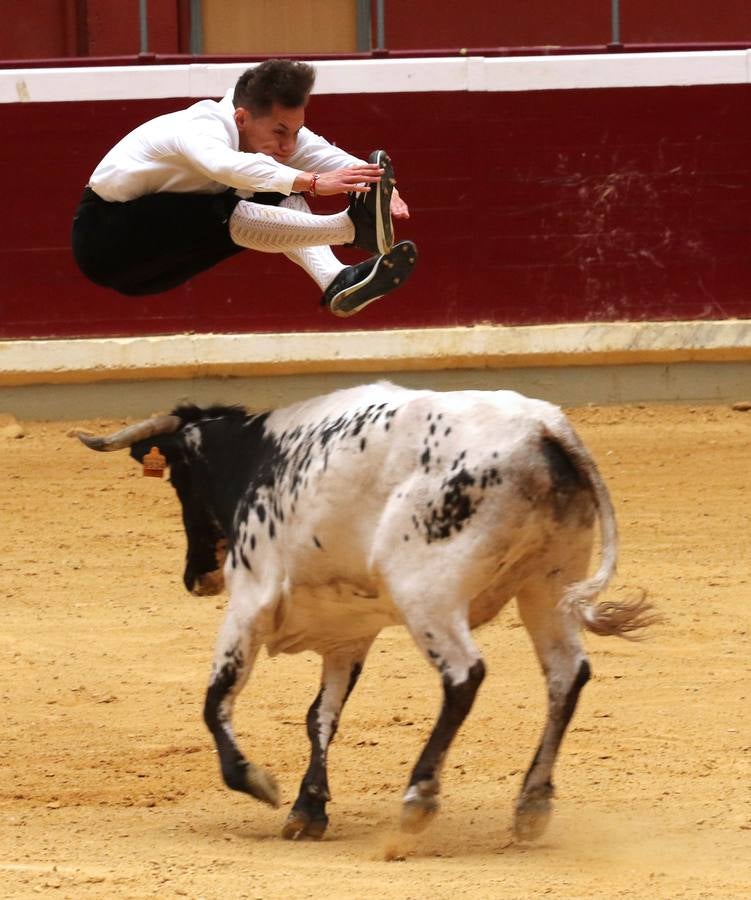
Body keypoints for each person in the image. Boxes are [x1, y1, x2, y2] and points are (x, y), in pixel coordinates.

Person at [71, 59, 416, 317]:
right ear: (241, 119)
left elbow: (322, 154)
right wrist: (311, 181)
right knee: (247, 192)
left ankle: (335, 279)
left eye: (295, 131)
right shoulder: (200, 125)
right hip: (105, 241)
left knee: (276, 189)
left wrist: (377, 187)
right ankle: (350, 228)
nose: (288, 144)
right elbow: (227, 167)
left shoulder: (278, 135)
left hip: (154, 264)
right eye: (280, 132)